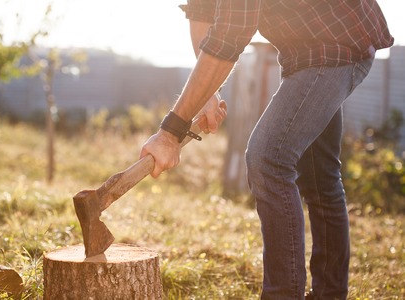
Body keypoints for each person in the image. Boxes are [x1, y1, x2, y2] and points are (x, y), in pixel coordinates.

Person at [140, 0, 394, 299]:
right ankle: (330, 293)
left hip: (338, 41)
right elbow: (202, 12)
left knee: (268, 159)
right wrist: (207, 95)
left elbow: (231, 36)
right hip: (304, 52)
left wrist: (171, 132)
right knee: (319, 176)